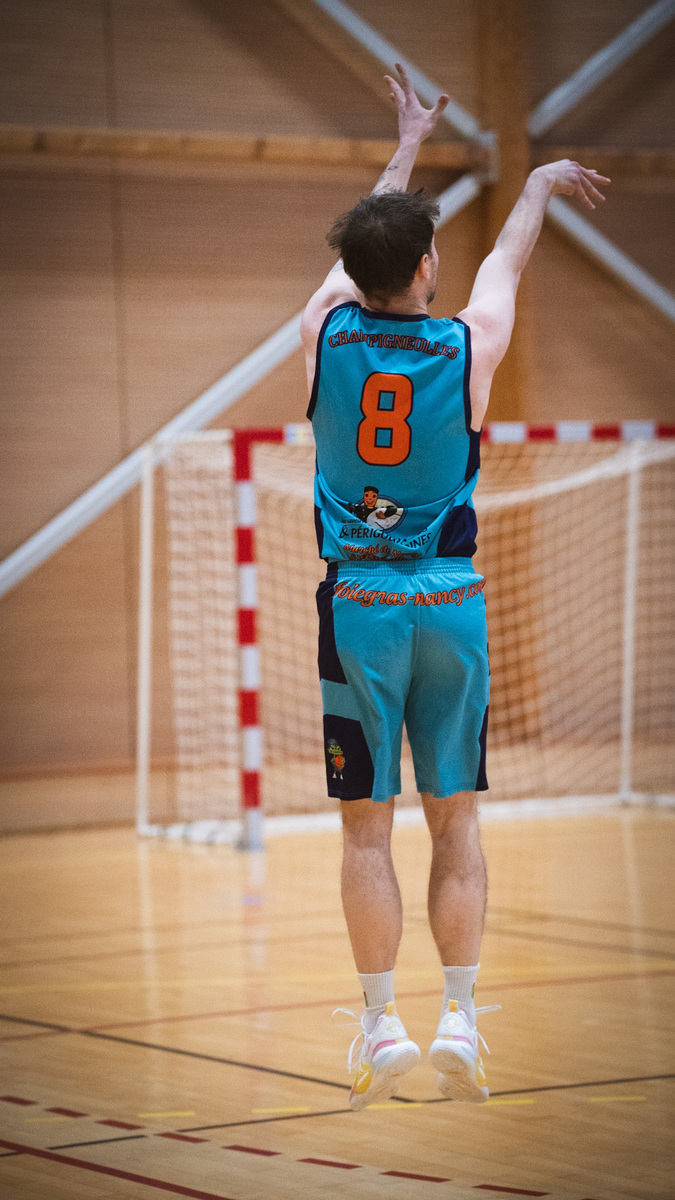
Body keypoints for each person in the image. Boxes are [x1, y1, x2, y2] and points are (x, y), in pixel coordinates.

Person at [300, 63, 609, 1111]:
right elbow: (507, 262)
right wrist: (537, 185)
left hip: (360, 607)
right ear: (429, 265)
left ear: (353, 269)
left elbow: (365, 249)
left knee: (364, 829)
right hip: (451, 603)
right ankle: (463, 1020)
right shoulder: (468, 344)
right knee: (456, 821)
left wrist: (403, 147)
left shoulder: (324, 333)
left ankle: (381, 1023)